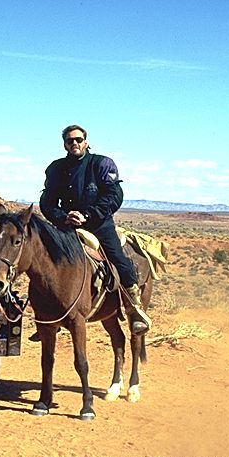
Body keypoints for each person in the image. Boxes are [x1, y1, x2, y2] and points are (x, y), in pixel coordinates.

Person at [37, 124, 152, 336]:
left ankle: (134, 307)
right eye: (70, 140)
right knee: (42, 259)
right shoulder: (56, 169)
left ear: (86, 142)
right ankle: (48, 313)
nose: (74, 143)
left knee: (117, 257)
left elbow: (113, 195)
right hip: (66, 225)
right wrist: (63, 217)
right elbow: (47, 201)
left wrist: (88, 215)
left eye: (78, 139)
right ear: (64, 144)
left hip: (99, 224)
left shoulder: (101, 164)